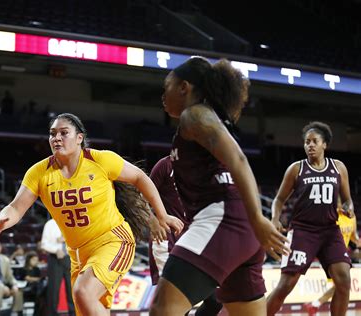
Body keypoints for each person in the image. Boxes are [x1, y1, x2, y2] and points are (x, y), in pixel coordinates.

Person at [0, 112, 183, 316]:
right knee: (90, 307)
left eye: (63, 133)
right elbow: (16, 207)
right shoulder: (39, 172)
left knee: (83, 292)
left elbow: (140, 177)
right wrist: (1, 221)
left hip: (113, 241)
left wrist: (161, 214)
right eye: (52, 134)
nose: (56, 138)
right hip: (78, 255)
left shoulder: (100, 160)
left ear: (79, 138)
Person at [149, 56, 290, 316]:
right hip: (240, 229)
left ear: (184, 87)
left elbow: (238, 159)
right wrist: (254, 220)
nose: (162, 94)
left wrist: (259, 218)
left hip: (222, 219)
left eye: (166, 85)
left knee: (162, 309)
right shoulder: (208, 117)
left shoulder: (195, 114)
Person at [267, 121, 353, 316]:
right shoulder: (296, 169)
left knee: (344, 281)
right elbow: (279, 199)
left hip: (330, 231)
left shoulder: (338, 167)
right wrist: (274, 218)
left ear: (325, 144)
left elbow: (347, 200)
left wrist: (349, 208)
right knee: (286, 285)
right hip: (302, 231)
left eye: (315, 141)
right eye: (307, 142)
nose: (310, 145)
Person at [148, 156, 222, 316]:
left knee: (216, 301)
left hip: (195, 239)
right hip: (166, 238)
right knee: (176, 301)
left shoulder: (205, 169)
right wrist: (152, 220)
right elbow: (141, 197)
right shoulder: (164, 165)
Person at [303, 199, 360, 315]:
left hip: (343, 255)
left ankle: (315, 305)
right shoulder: (331, 216)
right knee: (341, 284)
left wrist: (358, 242)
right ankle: (316, 304)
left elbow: (354, 237)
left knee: (341, 285)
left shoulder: (352, 218)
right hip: (331, 254)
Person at [41, 218, 75, 316]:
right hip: (55, 258)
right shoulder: (50, 224)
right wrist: (56, 250)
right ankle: (52, 313)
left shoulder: (72, 222)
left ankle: (73, 313)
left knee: (71, 288)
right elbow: (44, 244)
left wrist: (67, 240)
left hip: (70, 258)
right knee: (54, 289)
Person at [15, 251, 46, 316]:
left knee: (40, 296)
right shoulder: (23, 269)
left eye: (37, 260)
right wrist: (36, 279)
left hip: (34, 290)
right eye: (34, 260)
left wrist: (35, 280)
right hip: (25, 289)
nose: (36, 261)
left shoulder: (37, 269)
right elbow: (27, 278)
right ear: (29, 260)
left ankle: (36, 314)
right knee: (19, 295)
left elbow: (39, 279)